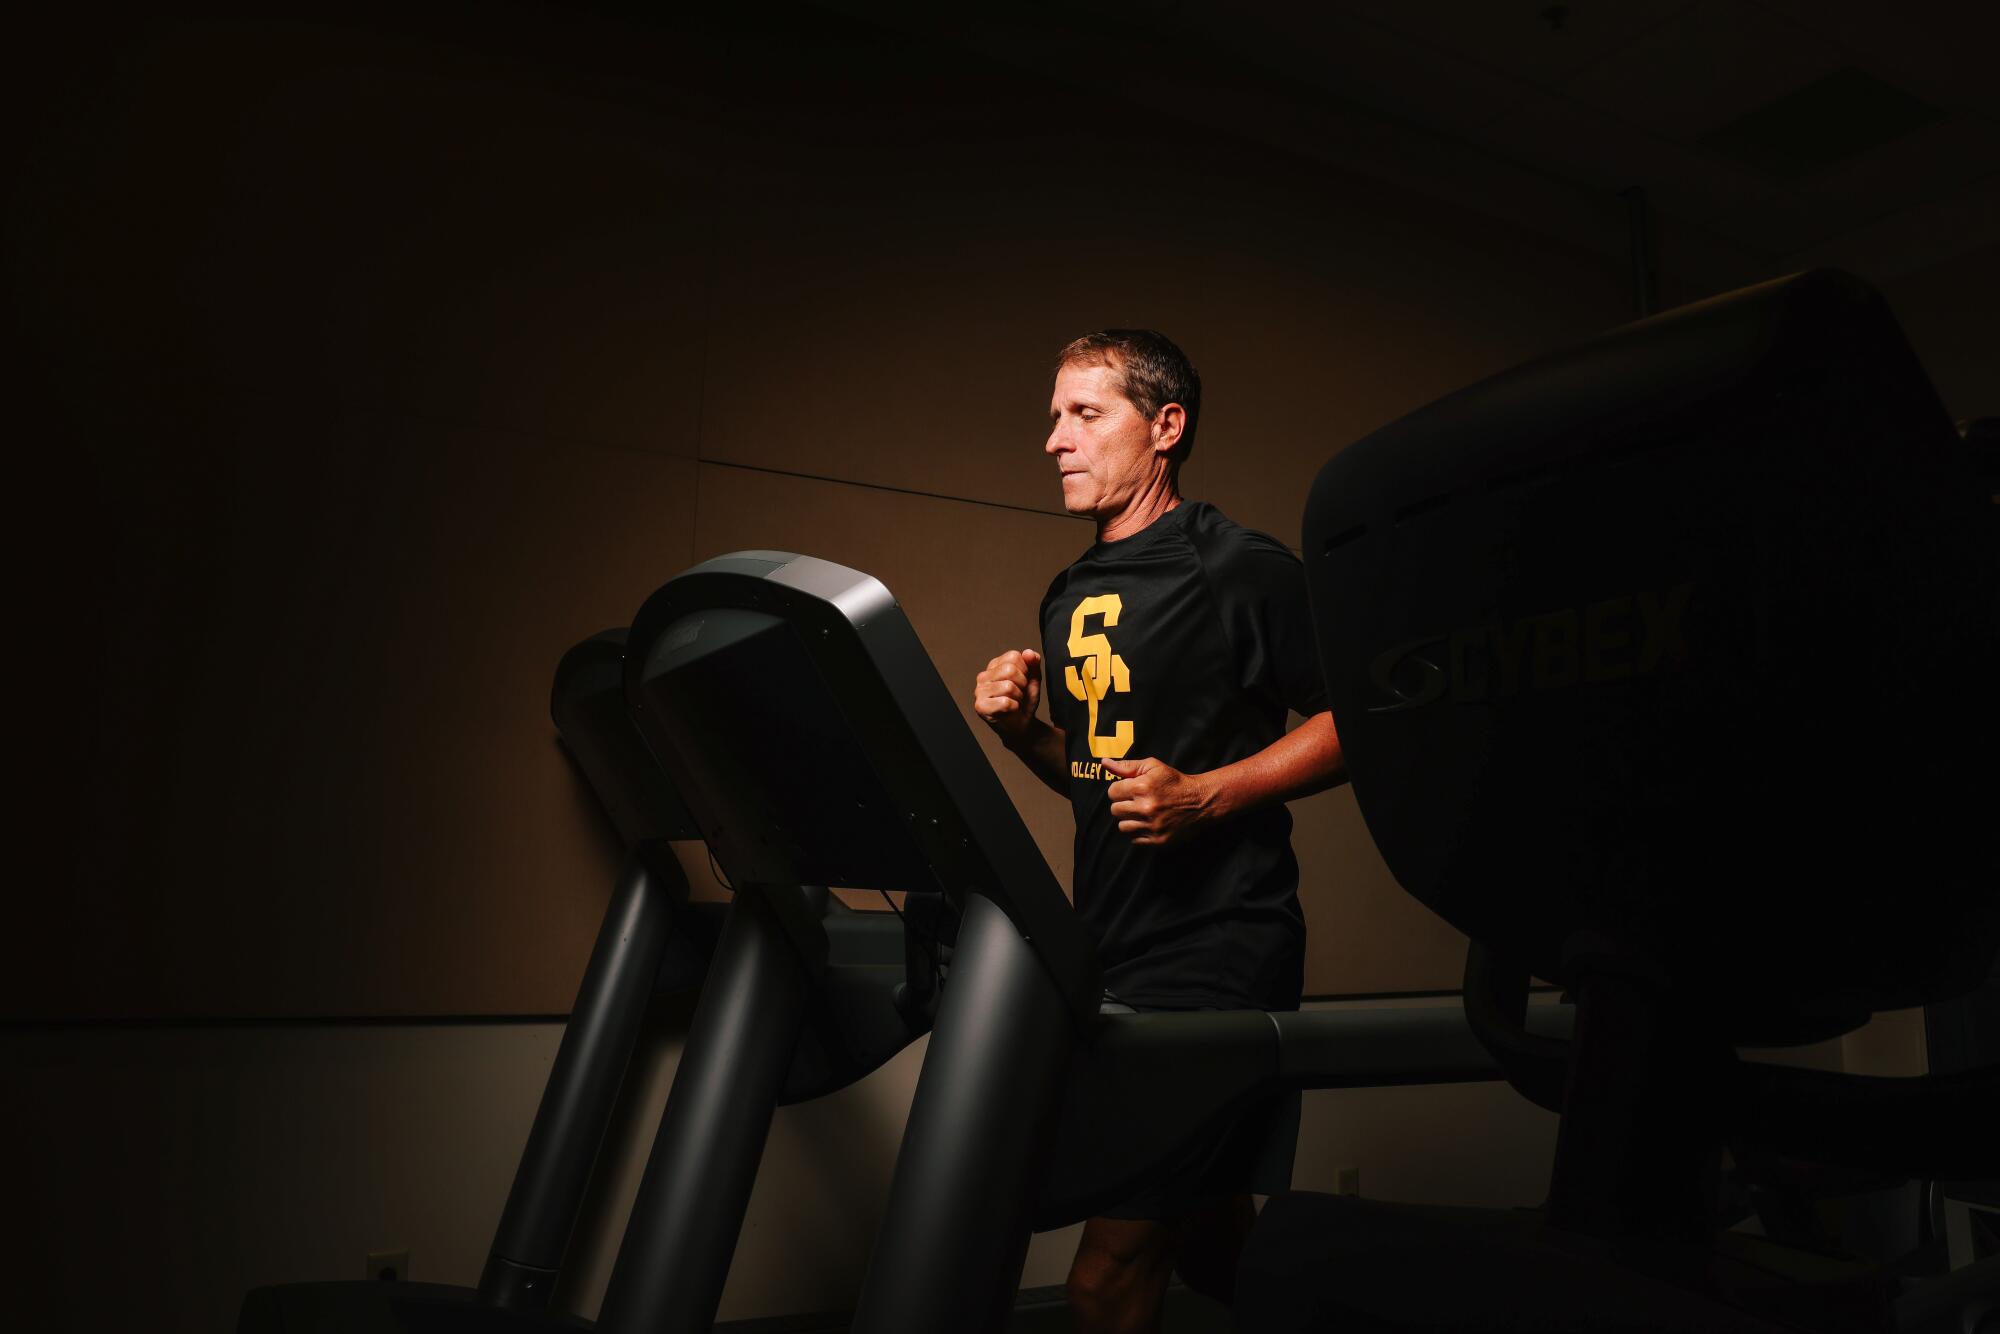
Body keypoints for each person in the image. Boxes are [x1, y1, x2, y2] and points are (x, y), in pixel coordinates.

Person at [973, 329, 1347, 1334]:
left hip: (1218, 944)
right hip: (1108, 945)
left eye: (1084, 414)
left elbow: (1354, 716)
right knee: (1219, 1243)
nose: (1054, 438)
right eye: (1053, 416)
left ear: (1165, 426)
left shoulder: (1235, 567)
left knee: (1106, 1272)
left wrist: (1207, 796)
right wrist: (1023, 736)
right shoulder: (1068, 593)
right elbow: (1099, 782)